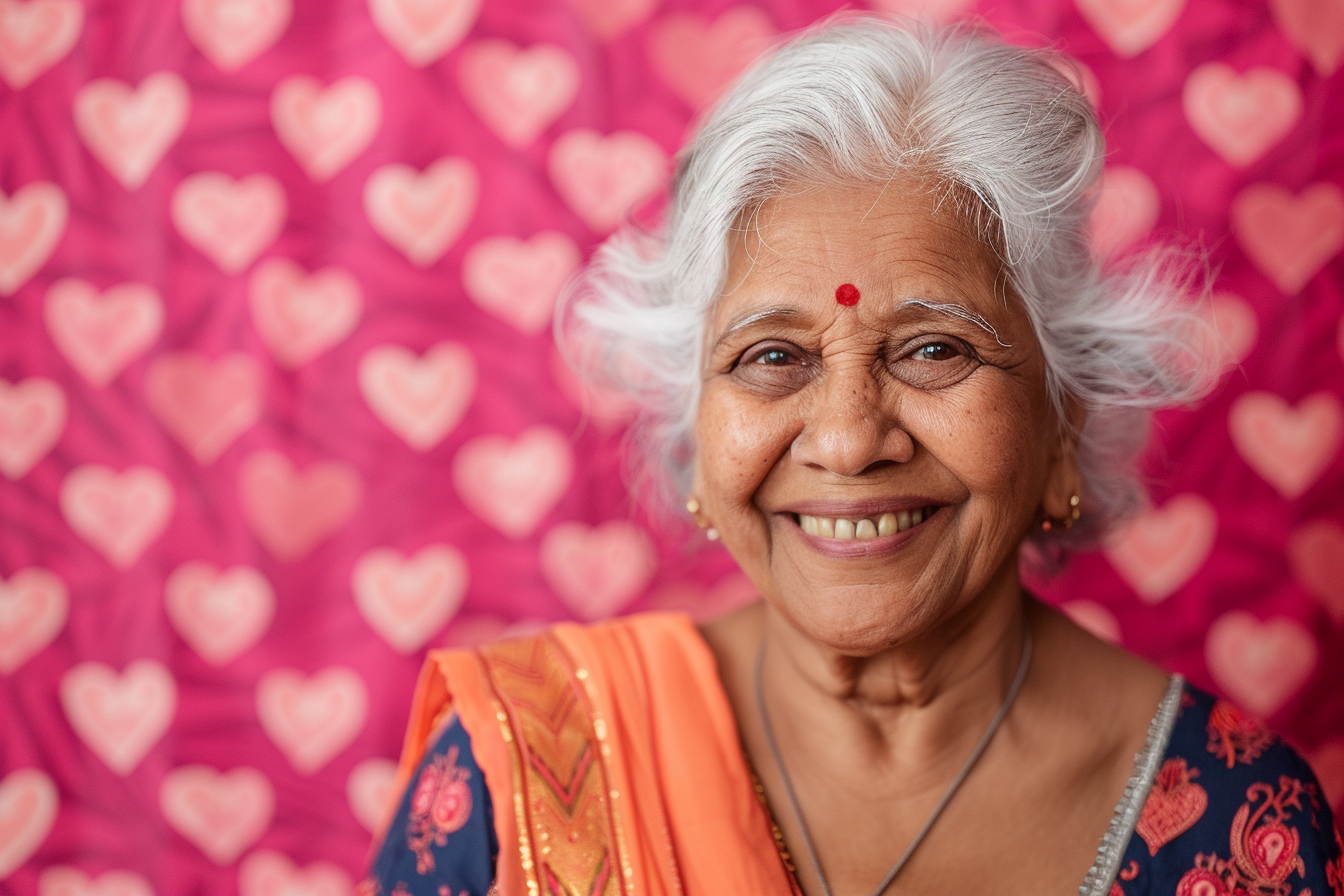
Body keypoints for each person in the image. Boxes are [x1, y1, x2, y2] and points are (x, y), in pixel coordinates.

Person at [359, 16, 1344, 896]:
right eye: (771, 356)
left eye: (932, 348)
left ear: (1063, 417)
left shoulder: (1233, 819)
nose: (846, 438)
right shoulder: (522, 776)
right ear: (694, 438)